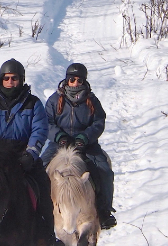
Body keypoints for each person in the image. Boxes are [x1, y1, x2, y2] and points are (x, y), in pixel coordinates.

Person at [0, 59, 63, 246]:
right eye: (7, 78)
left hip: (22, 157)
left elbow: (40, 130)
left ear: (21, 80)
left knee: (42, 186)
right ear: (1, 80)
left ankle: (46, 237)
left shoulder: (33, 103)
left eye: (15, 78)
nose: (11, 82)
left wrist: (31, 153)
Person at [41, 62, 116, 229]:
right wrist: (59, 136)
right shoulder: (55, 100)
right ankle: (39, 211)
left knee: (104, 171)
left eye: (79, 80)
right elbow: (47, 122)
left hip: (86, 145)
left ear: (84, 82)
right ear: (67, 80)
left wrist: (85, 137)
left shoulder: (92, 101)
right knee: (38, 169)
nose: (75, 83)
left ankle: (104, 211)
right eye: (72, 79)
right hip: (59, 145)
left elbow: (98, 122)